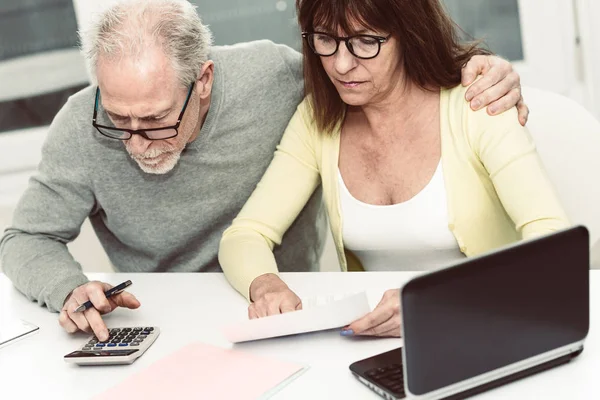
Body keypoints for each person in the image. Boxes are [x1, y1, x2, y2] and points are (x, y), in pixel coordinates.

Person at [0, 0, 524, 343]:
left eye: (157, 119)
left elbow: (369, 63)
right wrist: (69, 287)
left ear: (203, 80)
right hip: (162, 321)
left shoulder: (274, 78)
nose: (135, 140)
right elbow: (24, 236)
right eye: (119, 119)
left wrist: (476, 70)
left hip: (288, 316)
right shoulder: (79, 123)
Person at [218, 0, 569, 338]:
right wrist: (266, 285)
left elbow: (555, 240)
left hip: (487, 328)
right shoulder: (317, 121)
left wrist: (435, 305)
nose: (341, 65)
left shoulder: (477, 103)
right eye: (325, 39)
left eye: (366, 41)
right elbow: (244, 235)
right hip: (377, 343)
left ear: (409, 32)